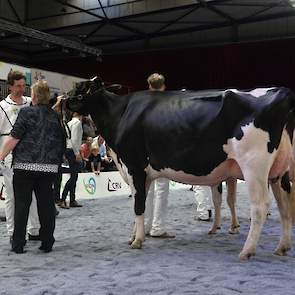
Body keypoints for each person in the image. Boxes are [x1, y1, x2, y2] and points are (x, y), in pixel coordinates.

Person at [0, 80, 65, 254]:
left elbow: (14, 138)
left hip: (25, 166)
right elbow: (61, 142)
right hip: (48, 168)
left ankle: (19, 244)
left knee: (22, 204)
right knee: (45, 205)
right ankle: (47, 242)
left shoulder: (26, 112)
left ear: (34, 96)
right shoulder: (54, 116)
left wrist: (1, 155)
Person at [0, 70, 40, 242]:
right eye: (18, 86)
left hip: (30, 152)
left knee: (32, 192)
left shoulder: (31, 103)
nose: (22, 89)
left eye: (24, 86)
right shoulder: (2, 106)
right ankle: (12, 232)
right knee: (11, 195)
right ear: (10, 86)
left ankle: (34, 230)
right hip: (8, 152)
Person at [144, 73, 174, 238]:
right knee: (162, 189)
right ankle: (158, 228)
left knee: (146, 190)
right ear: (163, 86)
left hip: (145, 152)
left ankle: (146, 226)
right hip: (162, 152)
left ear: (149, 86)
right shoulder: (167, 105)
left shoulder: (143, 104)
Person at [59, 112, 83, 209]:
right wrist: (77, 153)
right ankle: (63, 199)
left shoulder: (70, 123)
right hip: (73, 150)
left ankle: (72, 199)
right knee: (73, 176)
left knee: (74, 175)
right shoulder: (77, 123)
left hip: (69, 149)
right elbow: (75, 139)